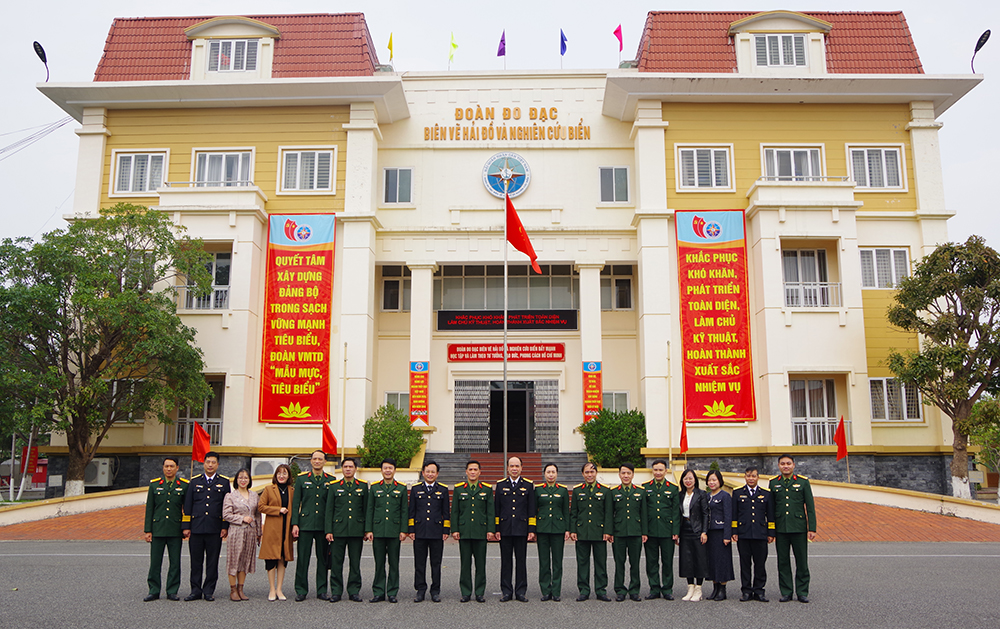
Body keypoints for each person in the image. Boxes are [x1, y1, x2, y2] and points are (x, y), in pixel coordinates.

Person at [183, 451, 231, 601]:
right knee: (195, 561)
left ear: (217, 464)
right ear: (203, 463)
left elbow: (226, 506)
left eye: (213, 462)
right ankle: (195, 590)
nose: (210, 465)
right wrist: (186, 526)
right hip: (196, 527)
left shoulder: (224, 482)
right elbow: (188, 505)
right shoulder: (194, 481)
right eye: (208, 462)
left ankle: (209, 590)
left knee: (212, 561)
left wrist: (225, 526)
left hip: (214, 528)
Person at [291, 450, 335, 601]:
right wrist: (295, 524)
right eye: (314, 459)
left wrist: (331, 527)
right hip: (306, 524)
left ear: (324, 462)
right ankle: (301, 589)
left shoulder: (331, 480)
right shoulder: (302, 479)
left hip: (323, 526)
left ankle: (322, 590)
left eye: (320, 459)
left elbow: (332, 506)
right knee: (303, 559)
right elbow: (296, 503)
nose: (317, 461)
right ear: (311, 461)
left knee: (323, 559)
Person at [772, 454, 817, 603]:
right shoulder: (773, 483)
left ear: (793, 465)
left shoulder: (803, 482)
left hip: (799, 528)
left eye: (788, 463)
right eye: (783, 463)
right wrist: (771, 530)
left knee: (802, 562)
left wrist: (812, 528)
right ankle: (786, 591)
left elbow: (810, 507)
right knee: (783, 562)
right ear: (779, 466)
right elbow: (771, 509)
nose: (786, 466)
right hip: (781, 529)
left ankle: (802, 591)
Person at [143, 456, 189, 601]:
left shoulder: (184, 485)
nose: (169, 469)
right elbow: (149, 509)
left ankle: (172, 590)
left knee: (175, 562)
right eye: (166, 466)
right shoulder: (154, 485)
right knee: (155, 562)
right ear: (163, 468)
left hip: (175, 529)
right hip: (158, 528)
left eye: (172, 466)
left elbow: (186, 509)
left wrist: (186, 527)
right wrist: (148, 530)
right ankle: (154, 590)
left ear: (177, 468)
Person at [325, 457, 368, 603]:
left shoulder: (362, 486)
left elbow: (366, 510)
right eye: (345, 467)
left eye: (351, 467)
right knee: (337, 563)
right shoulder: (334, 486)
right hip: (338, 530)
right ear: (342, 469)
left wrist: (366, 530)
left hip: (356, 530)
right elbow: (329, 510)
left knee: (355, 563)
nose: (348, 469)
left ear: (355, 469)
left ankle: (354, 591)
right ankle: (336, 591)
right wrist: (328, 530)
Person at [451, 460, 494, 603]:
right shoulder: (459, 489)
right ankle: (466, 592)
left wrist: (490, 530)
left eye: (476, 469)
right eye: (470, 469)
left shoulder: (486, 489)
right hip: (464, 531)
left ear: (480, 472)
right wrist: (455, 529)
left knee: (480, 564)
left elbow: (490, 512)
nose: (473, 472)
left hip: (480, 531)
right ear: (466, 471)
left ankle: (480, 592)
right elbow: (455, 511)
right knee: (465, 564)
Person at [494, 456, 536, 602]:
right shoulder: (500, 485)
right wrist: (497, 529)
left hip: (521, 528)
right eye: (511, 466)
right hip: (505, 529)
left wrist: (531, 529)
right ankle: (506, 591)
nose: (514, 469)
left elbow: (531, 509)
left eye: (517, 466)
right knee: (506, 561)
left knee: (521, 561)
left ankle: (521, 591)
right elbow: (497, 510)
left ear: (521, 468)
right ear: (507, 468)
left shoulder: (528, 485)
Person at [366, 458, 408, 603]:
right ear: (381, 470)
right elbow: (370, 509)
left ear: (395, 470)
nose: (388, 470)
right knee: (379, 563)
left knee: (394, 563)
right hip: (377, 530)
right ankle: (378, 592)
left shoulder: (401, 488)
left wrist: (404, 530)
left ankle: (392, 592)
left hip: (394, 531)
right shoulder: (375, 487)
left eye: (390, 468)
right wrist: (369, 529)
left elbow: (404, 511)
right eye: (385, 468)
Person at [408, 460, 450, 602]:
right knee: (419, 563)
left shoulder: (443, 489)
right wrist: (411, 529)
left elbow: (446, 512)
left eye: (433, 472)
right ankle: (420, 590)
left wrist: (446, 530)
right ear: (423, 473)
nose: (430, 474)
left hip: (436, 531)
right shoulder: (416, 489)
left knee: (436, 563)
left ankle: (435, 590)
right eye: (428, 471)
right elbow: (411, 511)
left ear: (437, 474)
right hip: (419, 531)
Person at [570, 461, 612, 602]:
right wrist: (573, 530)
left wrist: (607, 531)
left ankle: (601, 590)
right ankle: (584, 590)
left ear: (596, 473)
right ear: (582, 474)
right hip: (582, 532)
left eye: (592, 472)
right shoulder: (577, 490)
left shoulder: (605, 490)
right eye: (587, 472)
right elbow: (574, 512)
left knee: (600, 562)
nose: (589, 475)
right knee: (582, 562)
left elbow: (608, 513)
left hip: (599, 532)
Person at [732, 465, 774, 602]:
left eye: (753, 476)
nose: (751, 478)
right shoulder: (738, 493)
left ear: (758, 477)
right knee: (745, 564)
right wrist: (734, 531)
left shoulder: (766, 494)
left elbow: (771, 515)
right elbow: (734, 515)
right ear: (745, 477)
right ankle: (746, 591)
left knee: (760, 564)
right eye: (748, 476)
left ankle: (759, 590)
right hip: (743, 534)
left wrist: (771, 532)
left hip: (760, 534)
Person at [643, 459, 680, 600]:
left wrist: (675, 531)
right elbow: (644, 512)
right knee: (651, 561)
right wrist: (644, 532)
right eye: (655, 470)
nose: (658, 472)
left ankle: (667, 589)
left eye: (660, 470)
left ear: (666, 471)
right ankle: (654, 588)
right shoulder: (645, 487)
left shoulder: (672, 488)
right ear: (652, 471)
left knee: (667, 561)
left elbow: (676, 512)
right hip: (651, 531)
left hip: (667, 530)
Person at [222, 468, 261, 601]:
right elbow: (226, 514)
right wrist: (241, 519)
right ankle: (233, 589)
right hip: (236, 530)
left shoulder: (254, 495)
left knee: (245, 560)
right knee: (234, 560)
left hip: (250, 531)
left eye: (245, 478)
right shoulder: (231, 496)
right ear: (236, 480)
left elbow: (257, 515)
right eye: (240, 478)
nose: (243, 480)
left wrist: (259, 533)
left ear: (249, 480)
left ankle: (241, 588)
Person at [611, 462, 647, 602]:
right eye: (623, 473)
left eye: (629, 473)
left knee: (635, 563)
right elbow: (610, 514)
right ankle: (620, 590)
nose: (626, 476)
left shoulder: (640, 491)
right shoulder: (613, 492)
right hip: (618, 532)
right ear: (619, 474)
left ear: (633, 474)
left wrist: (644, 532)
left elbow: (643, 513)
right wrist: (610, 532)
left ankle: (634, 590)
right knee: (619, 563)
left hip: (635, 532)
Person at [258, 463, 294, 601]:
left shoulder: (292, 490)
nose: (282, 476)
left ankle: (279, 589)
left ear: (289, 476)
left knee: (283, 558)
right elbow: (261, 506)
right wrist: (277, 509)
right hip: (272, 529)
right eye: (279, 473)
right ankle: (272, 589)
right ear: (275, 475)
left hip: (286, 529)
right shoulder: (269, 489)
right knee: (271, 558)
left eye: (284, 473)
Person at [534, 463, 569, 602]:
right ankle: (545, 590)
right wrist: (534, 528)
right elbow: (534, 510)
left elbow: (566, 510)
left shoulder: (563, 490)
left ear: (557, 474)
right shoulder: (537, 490)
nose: (551, 474)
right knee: (544, 561)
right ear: (544, 474)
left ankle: (556, 591)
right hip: (542, 528)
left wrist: (567, 529)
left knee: (557, 561)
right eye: (548, 472)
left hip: (558, 529)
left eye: (553, 472)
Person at [677, 468, 708, 602]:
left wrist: (704, 531)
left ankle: (698, 589)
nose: (688, 481)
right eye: (685, 479)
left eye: (690, 478)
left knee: (699, 559)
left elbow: (706, 514)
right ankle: (690, 587)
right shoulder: (680, 495)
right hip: (684, 528)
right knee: (687, 559)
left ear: (695, 480)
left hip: (697, 529)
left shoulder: (701, 494)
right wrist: (676, 533)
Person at [704, 470, 734, 601]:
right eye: (710, 480)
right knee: (712, 561)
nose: (712, 482)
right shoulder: (706, 496)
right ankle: (715, 588)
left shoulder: (725, 496)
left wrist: (727, 535)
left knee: (722, 561)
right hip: (710, 532)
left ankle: (722, 589)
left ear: (720, 481)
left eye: (714, 480)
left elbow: (729, 516)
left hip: (721, 532)